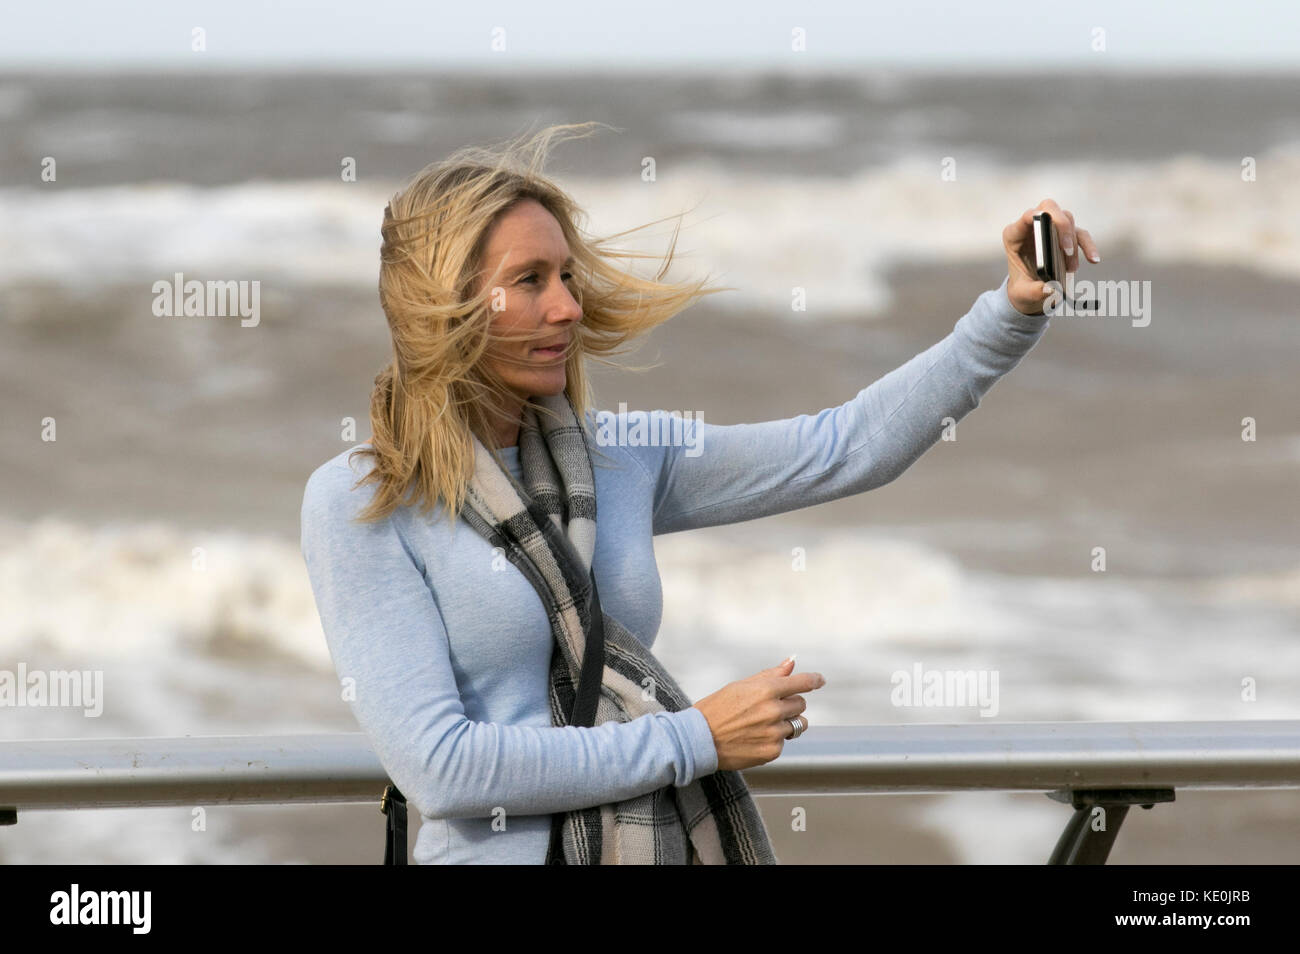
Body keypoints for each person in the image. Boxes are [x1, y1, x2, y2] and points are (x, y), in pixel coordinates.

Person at [299, 122, 1099, 865]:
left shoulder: (622, 458)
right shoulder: (365, 500)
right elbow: (444, 770)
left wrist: (1011, 311)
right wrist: (698, 737)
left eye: (569, 276)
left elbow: (845, 447)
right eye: (531, 280)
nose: (569, 307)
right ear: (445, 303)